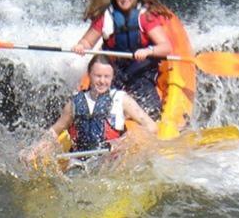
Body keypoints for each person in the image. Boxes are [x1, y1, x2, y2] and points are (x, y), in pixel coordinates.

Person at [72, 0, 172, 121]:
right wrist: (81, 46)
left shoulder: (145, 17)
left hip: (140, 70)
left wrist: (148, 50)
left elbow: (166, 47)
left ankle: (141, 119)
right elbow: (87, 42)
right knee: (99, 103)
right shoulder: (106, 17)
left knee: (151, 110)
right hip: (114, 70)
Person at [22, 55, 157, 162]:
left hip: (111, 161)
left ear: (112, 77)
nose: (102, 81)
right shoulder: (75, 103)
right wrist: (34, 151)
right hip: (79, 161)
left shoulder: (122, 100)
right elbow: (54, 131)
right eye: (98, 76)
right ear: (90, 75)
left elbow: (151, 126)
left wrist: (126, 141)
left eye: (107, 77)